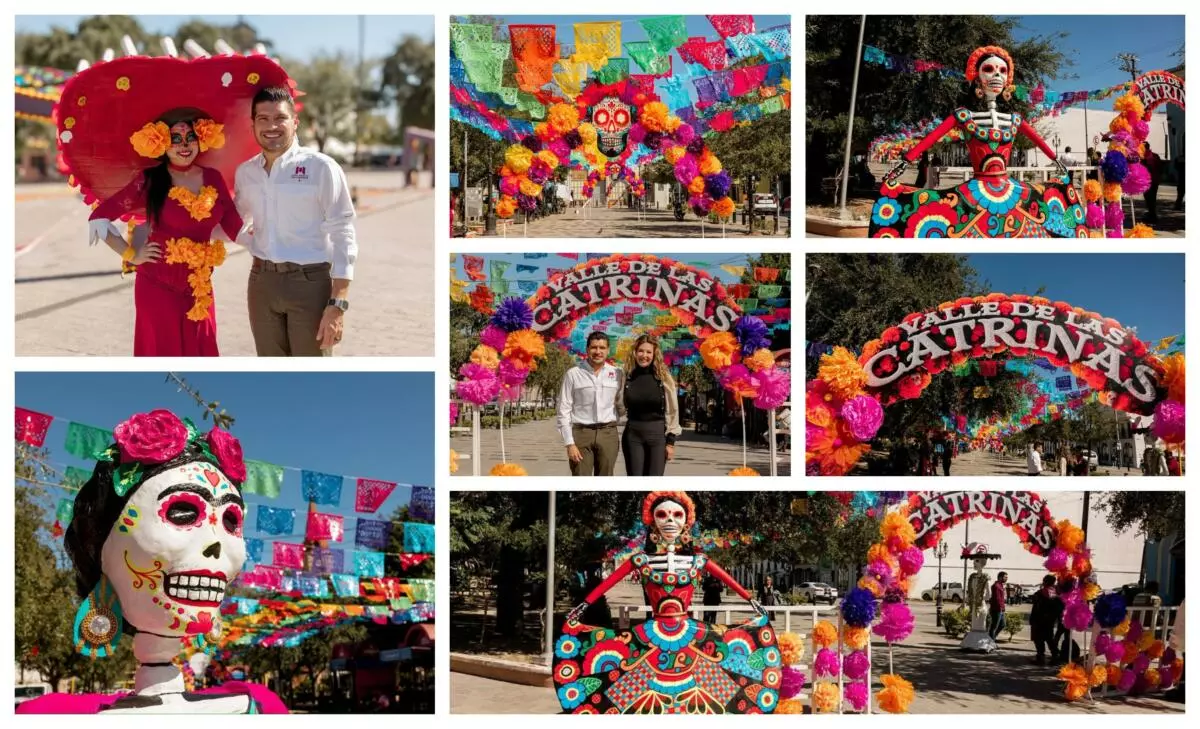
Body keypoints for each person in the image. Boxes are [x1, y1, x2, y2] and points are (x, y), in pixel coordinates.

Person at [17, 409, 286, 713]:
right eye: (183, 511)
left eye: (230, 521)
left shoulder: (255, 708)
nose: (216, 544)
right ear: (102, 548)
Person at [65, 54, 290, 355]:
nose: (184, 145)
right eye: (175, 138)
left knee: (202, 349)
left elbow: (233, 225)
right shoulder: (150, 180)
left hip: (200, 286)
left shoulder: (212, 177)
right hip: (157, 284)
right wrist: (132, 254)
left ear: (201, 139)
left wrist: (267, 245)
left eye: (190, 137)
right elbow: (100, 217)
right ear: (161, 143)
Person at [558, 491, 780, 713]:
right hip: (652, 635)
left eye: (677, 515)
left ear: (687, 522)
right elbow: (606, 585)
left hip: (689, 634)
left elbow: (730, 582)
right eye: (662, 514)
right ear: (652, 521)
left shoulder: (697, 560)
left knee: (717, 683)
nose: (670, 521)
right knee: (631, 688)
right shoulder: (641, 560)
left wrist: (752, 602)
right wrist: (583, 606)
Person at [870, 45, 1086, 237]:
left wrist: (1056, 162)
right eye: (989, 69)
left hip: (1011, 190)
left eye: (1002, 71)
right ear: (977, 76)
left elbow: (1040, 142)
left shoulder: (1015, 120)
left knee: (1046, 210)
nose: (997, 76)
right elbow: (929, 139)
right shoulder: (963, 116)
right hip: (975, 190)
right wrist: (904, 162)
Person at [235, 86, 358, 357]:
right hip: (261, 283)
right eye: (263, 119)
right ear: (253, 124)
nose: (272, 126)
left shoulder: (321, 167)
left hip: (309, 284)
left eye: (280, 118)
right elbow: (236, 221)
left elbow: (343, 233)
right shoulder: (246, 173)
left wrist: (338, 304)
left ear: (295, 122)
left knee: (312, 374)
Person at [557, 331, 623, 476]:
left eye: (602, 348)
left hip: (608, 433)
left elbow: (622, 403)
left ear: (608, 350)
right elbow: (564, 410)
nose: (598, 352)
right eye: (594, 347)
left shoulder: (617, 373)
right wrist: (569, 443)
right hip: (581, 434)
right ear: (587, 349)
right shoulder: (573, 374)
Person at [616, 336, 681, 477]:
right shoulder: (627, 376)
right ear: (635, 352)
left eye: (648, 352)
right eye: (641, 351)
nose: (644, 355)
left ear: (654, 354)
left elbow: (673, 410)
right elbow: (618, 403)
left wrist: (670, 442)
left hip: (657, 436)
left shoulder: (663, 377)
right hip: (633, 435)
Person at [1029, 575, 1059, 665]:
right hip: (1049, 621)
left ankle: (1041, 658)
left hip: (1038, 620)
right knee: (1049, 638)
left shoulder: (1040, 593)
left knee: (1038, 639)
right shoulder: (1054, 593)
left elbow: (1035, 602)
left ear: (1045, 582)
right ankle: (1055, 657)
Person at [1142, 141, 1162, 224]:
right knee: (1153, 198)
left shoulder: (1144, 156)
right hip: (1155, 180)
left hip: (1148, 181)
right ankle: (1152, 215)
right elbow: (1160, 167)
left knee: (1149, 199)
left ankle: (1152, 216)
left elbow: (1145, 168)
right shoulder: (1155, 155)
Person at [988, 571, 1008, 640]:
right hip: (996, 609)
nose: (1006, 578)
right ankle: (991, 641)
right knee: (994, 627)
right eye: (1005, 577)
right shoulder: (996, 586)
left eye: (1006, 577)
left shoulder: (1001, 585)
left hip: (1001, 609)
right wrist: (1000, 608)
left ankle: (992, 638)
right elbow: (997, 598)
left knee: (1002, 625)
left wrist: (1003, 608)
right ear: (1000, 577)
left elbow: (1002, 599)